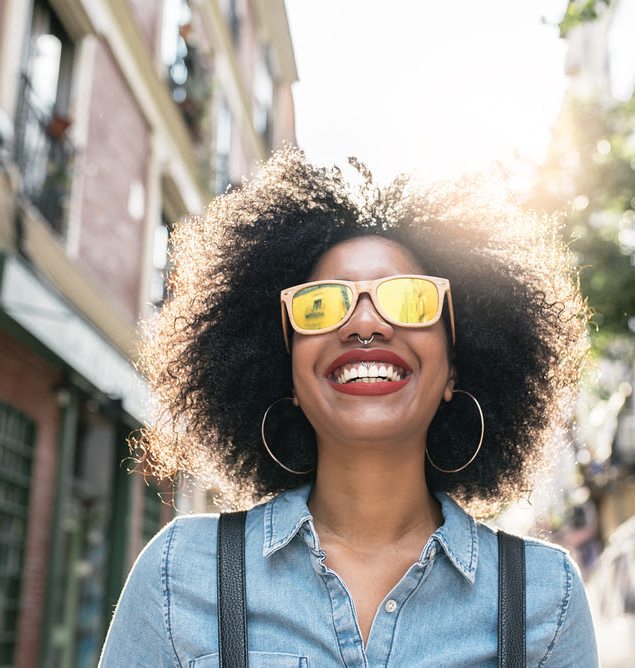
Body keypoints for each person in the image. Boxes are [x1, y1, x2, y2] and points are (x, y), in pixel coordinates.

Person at [99, 149, 598, 666]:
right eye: (322, 304)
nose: (366, 324)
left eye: (409, 300)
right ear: (286, 370)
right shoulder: (180, 573)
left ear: (455, 367)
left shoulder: (545, 599)